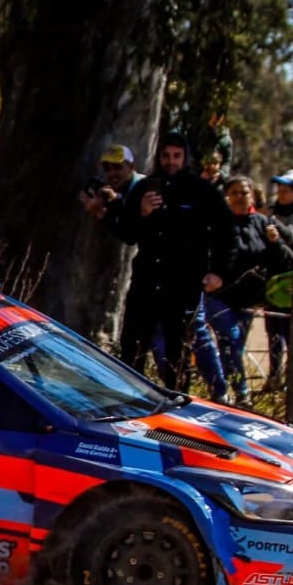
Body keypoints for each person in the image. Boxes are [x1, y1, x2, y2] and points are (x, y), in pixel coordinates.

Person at [115, 130, 230, 399]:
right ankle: (131, 401)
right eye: (166, 156)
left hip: (183, 284)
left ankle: (177, 403)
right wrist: (142, 213)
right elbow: (126, 233)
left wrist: (219, 272)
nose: (171, 162)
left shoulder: (201, 191)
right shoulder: (145, 188)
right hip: (146, 281)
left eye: (176, 156)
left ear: (185, 158)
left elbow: (226, 231)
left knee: (177, 353)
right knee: (133, 346)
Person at [206, 176, 293, 406]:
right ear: (227, 196)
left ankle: (223, 394)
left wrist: (276, 243)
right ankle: (241, 393)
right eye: (233, 192)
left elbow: (285, 261)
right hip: (219, 296)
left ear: (252, 196)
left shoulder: (263, 224)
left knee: (233, 348)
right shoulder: (218, 224)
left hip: (248, 300)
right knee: (231, 338)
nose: (238, 197)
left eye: (244, 192)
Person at [263, 169, 293, 388]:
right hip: (271, 280)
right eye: (280, 189)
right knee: (273, 332)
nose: (282, 193)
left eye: (287, 189)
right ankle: (274, 375)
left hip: (292, 281)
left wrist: (273, 224)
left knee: (290, 333)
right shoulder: (272, 209)